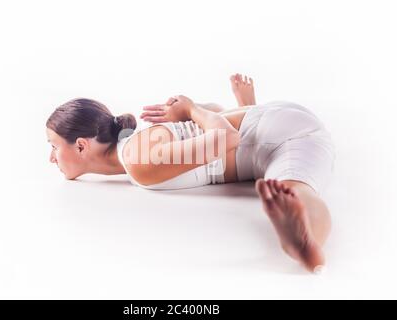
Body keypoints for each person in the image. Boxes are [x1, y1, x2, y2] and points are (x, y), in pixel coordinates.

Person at [46, 73, 335, 274]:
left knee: (296, 190)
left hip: (287, 136)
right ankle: (302, 236)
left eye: (54, 146)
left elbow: (226, 139)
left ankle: (307, 244)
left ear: (81, 145)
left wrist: (193, 108)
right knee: (287, 185)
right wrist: (200, 110)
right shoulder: (135, 145)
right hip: (271, 123)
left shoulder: (138, 158)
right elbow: (216, 120)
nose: (51, 158)